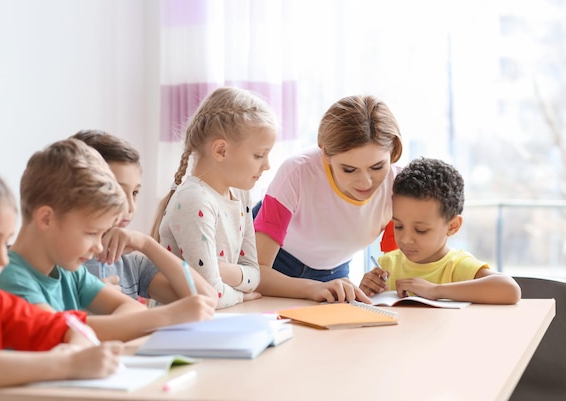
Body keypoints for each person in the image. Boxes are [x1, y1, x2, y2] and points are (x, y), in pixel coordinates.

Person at [0, 139, 216, 343]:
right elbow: (59, 331)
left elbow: (133, 310)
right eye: (91, 233)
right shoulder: (8, 278)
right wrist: (168, 316)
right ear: (46, 218)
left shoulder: (70, 273)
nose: (99, 246)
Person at [0, 161, 123, 401]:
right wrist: (68, 363)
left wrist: (76, 347)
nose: (2, 260)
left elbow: (65, 326)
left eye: (5, 243)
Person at [253, 94, 402, 303]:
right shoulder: (297, 172)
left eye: (377, 167)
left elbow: (398, 264)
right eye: (349, 169)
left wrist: (379, 281)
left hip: (332, 272)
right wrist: (313, 288)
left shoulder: (400, 186)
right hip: (276, 265)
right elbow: (254, 273)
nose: (366, 182)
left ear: (393, 151)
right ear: (325, 155)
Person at [152, 87, 277, 309]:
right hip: (181, 326)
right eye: (259, 155)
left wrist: (220, 270)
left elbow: (255, 273)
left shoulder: (240, 194)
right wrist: (241, 294)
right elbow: (210, 296)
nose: (267, 165)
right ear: (221, 150)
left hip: (221, 319)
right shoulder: (194, 201)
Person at [71, 129, 217, 304]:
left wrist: (146, 244)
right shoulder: (57, 266)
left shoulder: (130, 263)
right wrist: (87, 300)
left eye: (134, 193)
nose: (130, 207)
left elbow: (207, 297)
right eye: (116, 191)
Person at [359, 157, 521, 304]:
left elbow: (509, 290)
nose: (406, 239)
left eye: (421, 230)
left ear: (452, 226)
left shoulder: (457, 265)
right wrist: (365, 290)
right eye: (399, 226)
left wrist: (435, 290)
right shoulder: (388, 264)